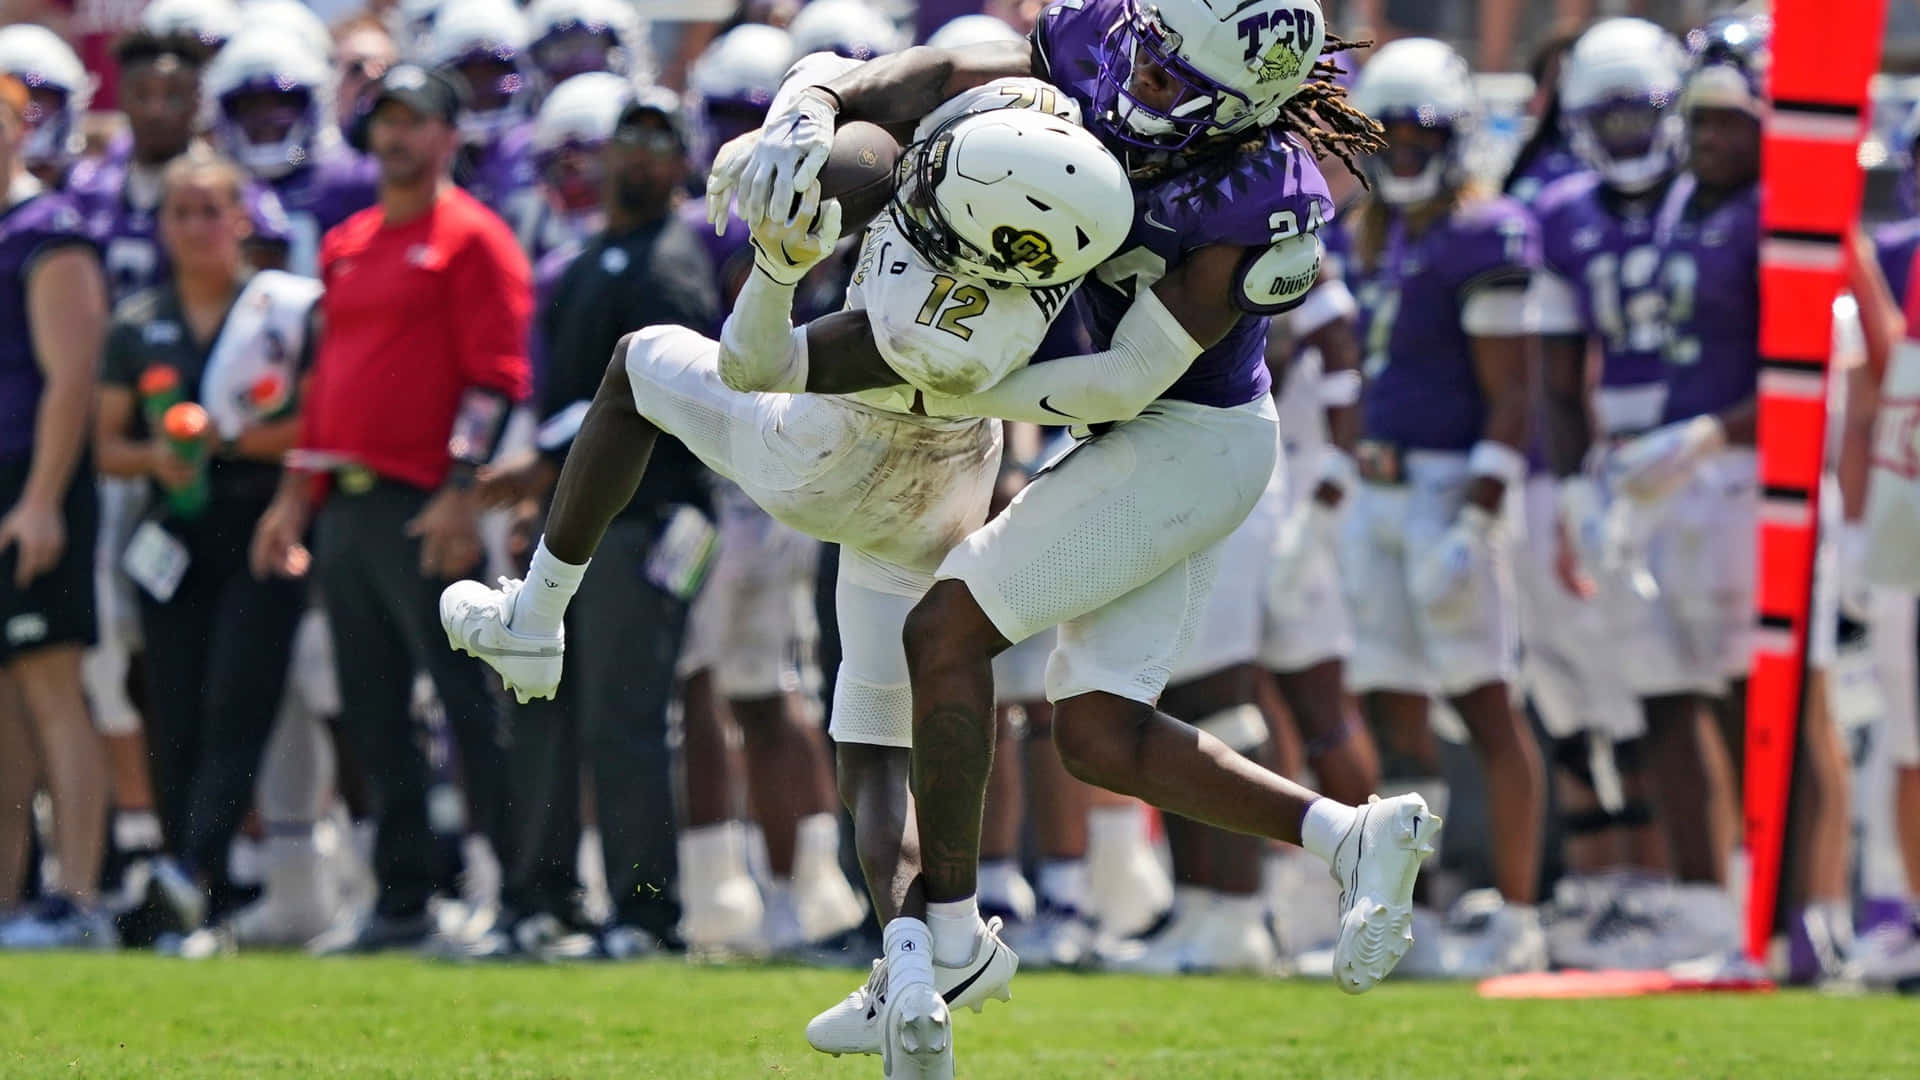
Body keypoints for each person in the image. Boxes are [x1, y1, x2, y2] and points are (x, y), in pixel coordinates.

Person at [719, 1, 1436, 1065]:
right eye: (1147, 60)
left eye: (1175, 83)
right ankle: (1351, 835)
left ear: (1246, 108)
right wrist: (809, 103)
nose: (1141, 87)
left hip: (1184, 434)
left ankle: (945, 935)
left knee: (943, 633)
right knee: (1100, 734)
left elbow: (1127, 377)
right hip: (1131, 435)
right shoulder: (1104, 34)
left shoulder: (1264, 193)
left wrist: (948, 377)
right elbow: (929, 68)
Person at [443, 87, 1134, 1077]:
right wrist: (801, 120)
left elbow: (755, 360)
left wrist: (776, 261)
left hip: (829, 456)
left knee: (638, 366)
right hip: (944, 491)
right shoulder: (1056, 249)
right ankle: (912, 965)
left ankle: (535, 612)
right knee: (870, 743)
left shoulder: (912, 287)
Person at [249, 62, 532, 954]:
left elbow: (494, 382)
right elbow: (327, 380)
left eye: (415, 121)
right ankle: (402, 898)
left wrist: (461, 494)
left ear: (450, 136)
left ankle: (513, 892)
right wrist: (296, 493)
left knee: (465, 703)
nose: (396, 136)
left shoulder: (475, 239)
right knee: (371, 711)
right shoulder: (349, 240)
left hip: (426, 502)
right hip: (347, 504)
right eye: (385, 121)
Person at [462, 90, 722, 960]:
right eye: (629, 138)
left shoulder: (671, 263)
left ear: (683, 162)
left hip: (649, 521)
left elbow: (669, 400)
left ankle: (646, 912)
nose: (641, 155)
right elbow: (559, 400)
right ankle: (539, 898)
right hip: (578, 525)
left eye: (661, 139)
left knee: (625, 715)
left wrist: (543, 465)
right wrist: (541, 480)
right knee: (538, 704)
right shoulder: (586, 262)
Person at [1336, 37, 1548, 976]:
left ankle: (1523, 917)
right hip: (1375, 491)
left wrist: (1477, 514)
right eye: (1394, 137)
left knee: (1488, 707)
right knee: (1393, 710)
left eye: (1424, 137)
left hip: (1446, 490)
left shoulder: (1483, 233)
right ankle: (1400, 917)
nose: (1406, 155)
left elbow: (1513, 391)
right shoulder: (1374, 234)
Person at [92, 151, 318, 931]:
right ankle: (188, 878)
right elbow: (107, 445)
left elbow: (317, 427)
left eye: (208, 212)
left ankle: (199, 870)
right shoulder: (136, 322)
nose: (194, 228)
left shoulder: (281, 312)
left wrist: (231, 438)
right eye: (178, 213)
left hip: (259, 523)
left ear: (240, 221)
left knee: (237, 699)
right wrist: (161, 456)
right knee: (176, 709)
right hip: (174, 535)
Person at [1528, 17, 1693, 970]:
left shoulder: (1715, 199)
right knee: (1596, 692)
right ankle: (1614, 891)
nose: (1629, 136)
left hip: (1706, 456)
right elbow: (1555, 374)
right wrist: (1572, 488)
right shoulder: (1561, 211)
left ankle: (1694, 890)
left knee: (1683, 694)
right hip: (1611, 469)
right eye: (1610, 117)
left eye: (1643, 115)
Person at [0, 72, 114, 949]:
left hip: (30, 483)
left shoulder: (50, 231)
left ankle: (76, 898)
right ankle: (9, 900)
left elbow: (71, 377)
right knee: (4, 703)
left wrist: (40, 501)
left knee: (50, 686)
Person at [203, 29, 379, 278]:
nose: (266, 119)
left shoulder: (354, 180)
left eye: (281, 102)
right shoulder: (205, 187)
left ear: (312, 103)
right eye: (250, 104)